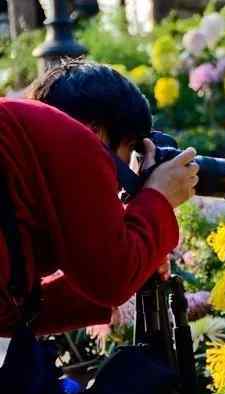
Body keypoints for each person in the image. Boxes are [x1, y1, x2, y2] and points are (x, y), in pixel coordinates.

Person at [0, 60, 199, 336]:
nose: (116, 181)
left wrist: (140, 253)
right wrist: (159, 197)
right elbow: (112, 277)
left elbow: (11, 311)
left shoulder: (21, 151)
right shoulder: (75, 140)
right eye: (130, 152)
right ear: (95, 132)